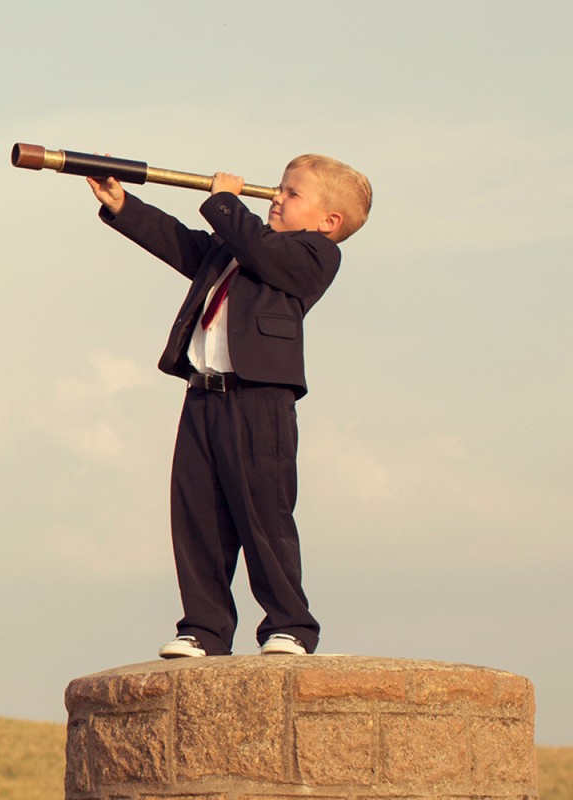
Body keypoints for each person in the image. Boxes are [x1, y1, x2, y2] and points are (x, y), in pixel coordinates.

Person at [87, 154, 372, 658]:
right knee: (197, 516)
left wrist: (224, 202)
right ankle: (204, 628)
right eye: (278, 188)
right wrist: (124, 206)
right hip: (203, 395)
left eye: (291, 193)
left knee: (264, 513)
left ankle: (290, 624)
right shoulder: (237, 246)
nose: (276, 198)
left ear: (329, 221)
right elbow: (185, 245)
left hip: (259, 400)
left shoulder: (312, 256)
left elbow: (262, 252)